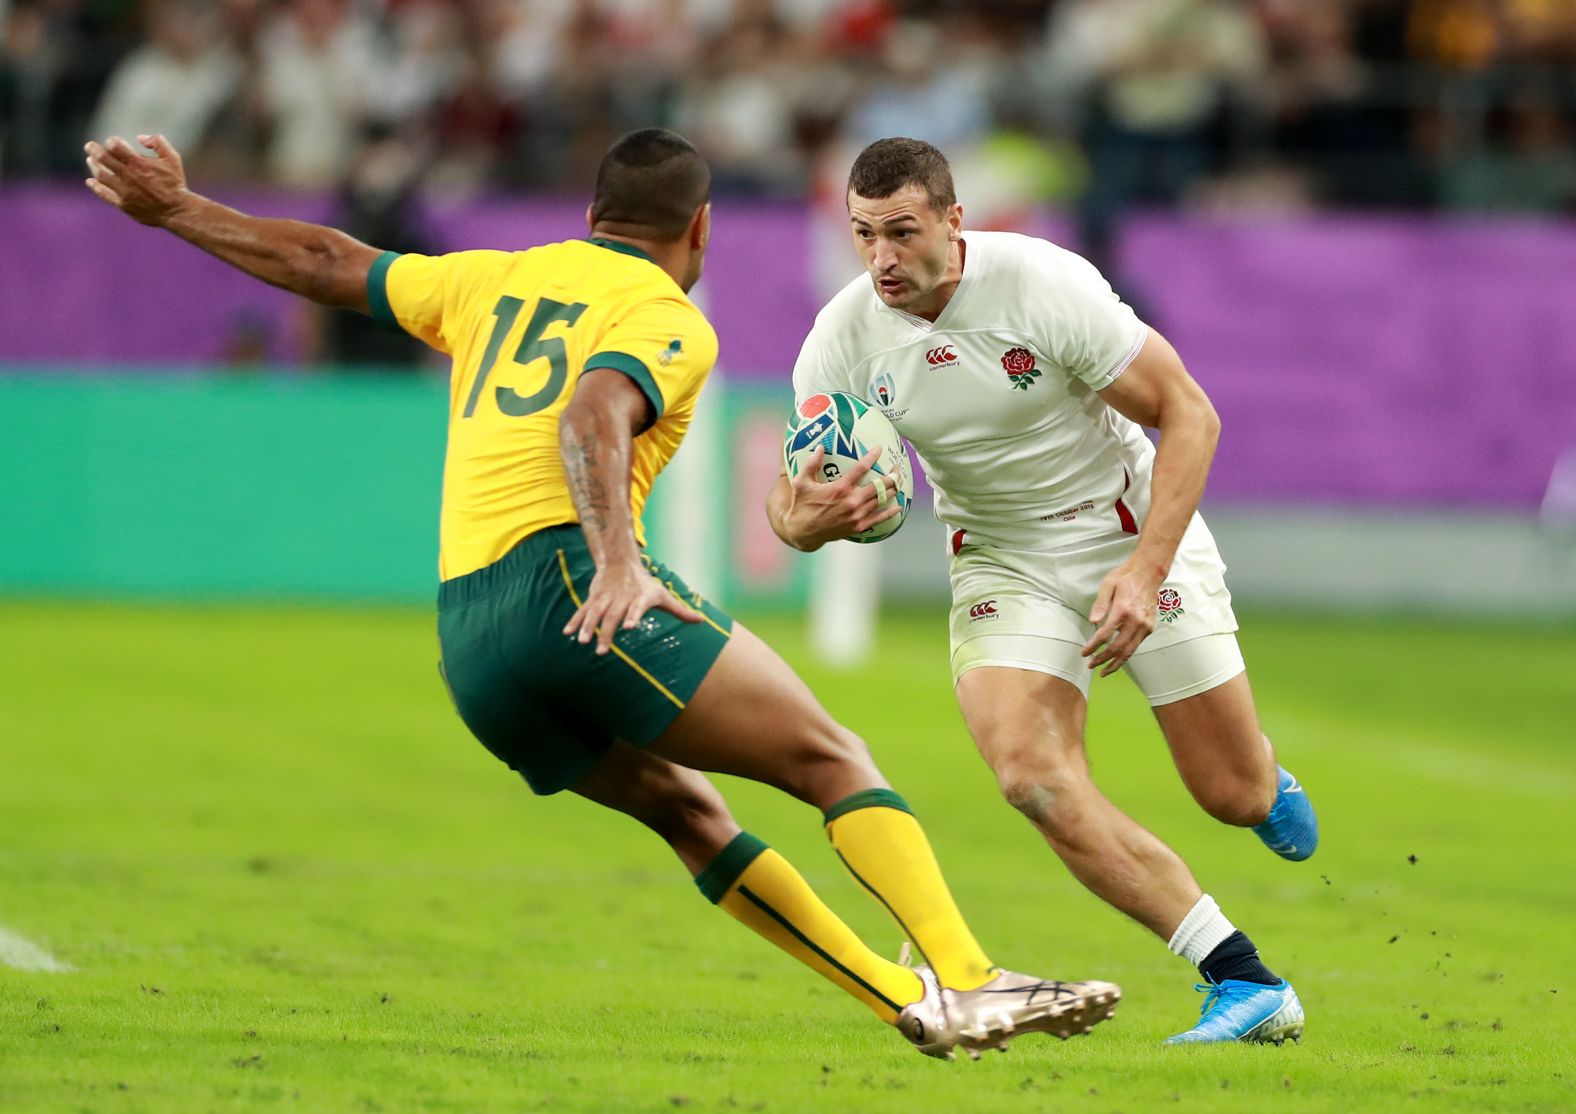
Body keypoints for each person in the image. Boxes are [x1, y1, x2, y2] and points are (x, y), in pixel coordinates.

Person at [83, 127, 1120, 1060]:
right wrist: (620, 560)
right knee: (829, 758)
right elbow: (591, 416)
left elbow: (325, 260)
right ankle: (973, 980)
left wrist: (178, 208)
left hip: (469, 638)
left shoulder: (494, 279)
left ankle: (906, 996)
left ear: (589, 220)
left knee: (688, 812)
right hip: (571, 583)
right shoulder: (667, 315)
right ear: (700, 229)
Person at [767, 137, 1318, 1045]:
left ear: (954, 219)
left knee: (1228, 791)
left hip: (1127, 532)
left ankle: (1261, 783)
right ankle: (1242, 976)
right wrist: (804, 523)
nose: (881, 258)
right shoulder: (843, 335)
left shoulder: (1043, 285)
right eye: (864, 235)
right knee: (1031, 778)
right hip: (998, 557)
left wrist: (1143, 575)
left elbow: (1191, 414)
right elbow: (793, 491)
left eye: (902, 232)